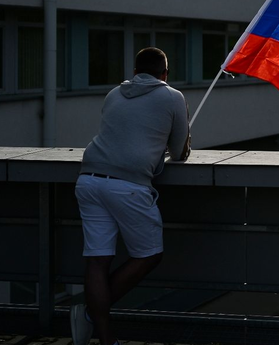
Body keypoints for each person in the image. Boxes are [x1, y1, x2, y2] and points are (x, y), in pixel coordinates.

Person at [70, 47, 191, 345]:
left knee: (98, 261)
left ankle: (105, 338)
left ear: (135, 73)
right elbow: (179, 153)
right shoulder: (173, 97)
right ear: (165, 74)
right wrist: (181, 140)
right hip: (128, 185)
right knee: (149, 254)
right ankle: (89, 314)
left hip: (89, 178)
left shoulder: (114, 93)